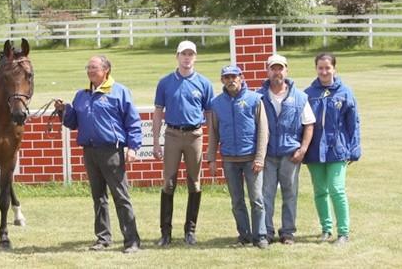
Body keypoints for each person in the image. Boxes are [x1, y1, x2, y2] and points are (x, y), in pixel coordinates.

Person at [54, 55, 142, 254]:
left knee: (121, 197)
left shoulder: (119, 92)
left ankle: (132, 240)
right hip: (90, 151)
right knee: (98, 197)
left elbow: (133, 121)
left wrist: (133, 147)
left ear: (106, 70)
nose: (90, 71)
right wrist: (63, 111)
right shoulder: (81, 95)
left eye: (94, 67)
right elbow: (73, 123)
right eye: (88, 67)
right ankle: (103, 239)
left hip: (112, 151)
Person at [150, 40, 214, 246]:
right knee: (169, 182)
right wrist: (156, 142)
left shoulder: (204, 83)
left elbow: (209, 114)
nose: (187, 58)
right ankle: (165, 233)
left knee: (194, 183)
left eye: (190, 54)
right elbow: (158, 113)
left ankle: (190, 231)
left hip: (195, 135)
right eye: (183, 54)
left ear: (195, 57)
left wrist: (211, 143)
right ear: (177, 56)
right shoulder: (165, 82)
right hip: (172, 135)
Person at [206, 65, 270, 249]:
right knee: (236, 201)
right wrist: (212, 159)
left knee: (257, 199)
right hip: (229, 159)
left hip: (251, 158)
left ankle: (260, 236)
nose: (231, 80)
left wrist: (260, 158)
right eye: (227, 77)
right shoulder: (216, 103)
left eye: (234, 77)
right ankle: (244, 235)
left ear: (241, 78)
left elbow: (263, 131)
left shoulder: (255, 99)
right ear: (222, 80)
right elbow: (213, 133)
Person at [256, 54, 315, 245]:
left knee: (290, 193)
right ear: (267, 71)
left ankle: (288, 232)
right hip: (267, 154)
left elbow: (309, 124)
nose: (277, 72)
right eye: (273, 68)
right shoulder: (258, 97)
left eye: (280, 68)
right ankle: (266, 231)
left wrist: (302, 150)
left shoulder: (300, 97)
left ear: (286, 70)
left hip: (290, 154)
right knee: (266, 194)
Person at [303, 53, 361, 246]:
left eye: (327, 68)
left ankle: (343, 232)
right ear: (316, 69)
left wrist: (354, 149)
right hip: (314, 151)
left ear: (334, 68)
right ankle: (326, 229)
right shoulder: (308, 93)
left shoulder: (345, 92)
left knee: (337, 189)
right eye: (320, 68)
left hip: (337, 149)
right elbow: (302, 123)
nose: (324, 71)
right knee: (320, 191)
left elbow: (354, 123)